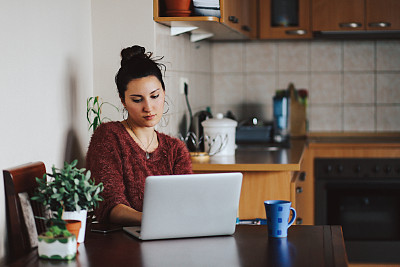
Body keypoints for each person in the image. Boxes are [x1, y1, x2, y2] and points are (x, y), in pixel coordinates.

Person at [86, 45, 193, 225]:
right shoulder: (109, 137)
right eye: (137, 100)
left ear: (164, 93)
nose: (148, 107)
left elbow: (187, 202)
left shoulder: (176, 149)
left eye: (155, 96)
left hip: (171, 237)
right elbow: (109, 206)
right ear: (123, 100)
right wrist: (153, 221)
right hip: (123, 244)